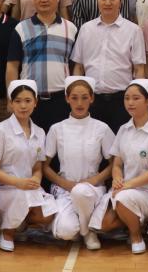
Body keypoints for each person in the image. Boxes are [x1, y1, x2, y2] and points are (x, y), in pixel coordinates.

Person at [90, 79, 148, 254]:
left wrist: (127, 185)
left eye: (136, 98)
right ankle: (135, 221)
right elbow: (117, 163)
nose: (130, 103)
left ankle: (136, 236)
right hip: (124, 188)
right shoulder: (123, 129)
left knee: (123, 198)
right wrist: (118, 178)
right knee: (104, 224)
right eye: (127, 98)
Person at [43, 76, 115, 250]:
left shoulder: (102, 128)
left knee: (81, 192)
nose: (79, 103)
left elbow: (115, 164)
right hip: (65, 190)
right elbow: (44, 166)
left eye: (84, 97)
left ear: (92, 98)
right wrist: (65, 184)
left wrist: (93, 180)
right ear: (67, 99)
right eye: (74, 98)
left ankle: (86, 231)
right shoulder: (57, 129)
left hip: (92, 190)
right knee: (65, 232)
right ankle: (81, 224)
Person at [0, 79, 56, 251]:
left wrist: (36, 178)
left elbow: (37, 167)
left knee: (48, 215)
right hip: (4, 188)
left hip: (28, 186)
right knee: (20, 196)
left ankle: (20, 222)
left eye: (28, 100)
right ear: (10, 104)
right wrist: (18, 183)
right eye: (18, 101)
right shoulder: (0, 130)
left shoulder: (40, 132)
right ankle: (7, 232)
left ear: (35, 102)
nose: (23, 106)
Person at [70, 0, 146, 132]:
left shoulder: (133, 30)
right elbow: (78, 67)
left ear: (121, 0)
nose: (108, 2)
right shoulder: (86, 29)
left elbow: (139, 69)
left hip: (122, 101)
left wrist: (137, 99)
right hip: (92, 100)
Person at [7, 0, 78, 131]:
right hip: (29, 100)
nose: (43, 0)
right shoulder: (21, 28)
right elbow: (12, 66)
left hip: (61, 100)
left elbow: (76, 67)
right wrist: (10, 97)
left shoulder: (71, 28)